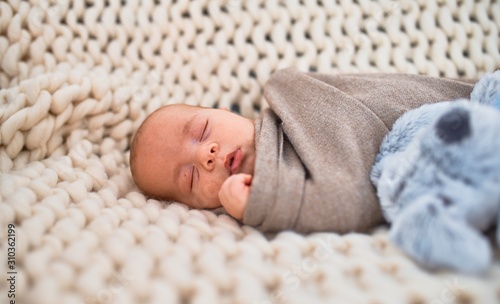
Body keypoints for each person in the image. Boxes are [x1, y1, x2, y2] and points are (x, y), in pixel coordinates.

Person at [130, 68, 474, 233]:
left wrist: (263, 201)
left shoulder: (291, 102)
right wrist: (259, 203)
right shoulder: (280, 181)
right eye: (189, 178)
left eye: (202, 131)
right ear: (197, 207)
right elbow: (349, 202)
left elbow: (352, 137)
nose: (206, 155)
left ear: (224, 111)